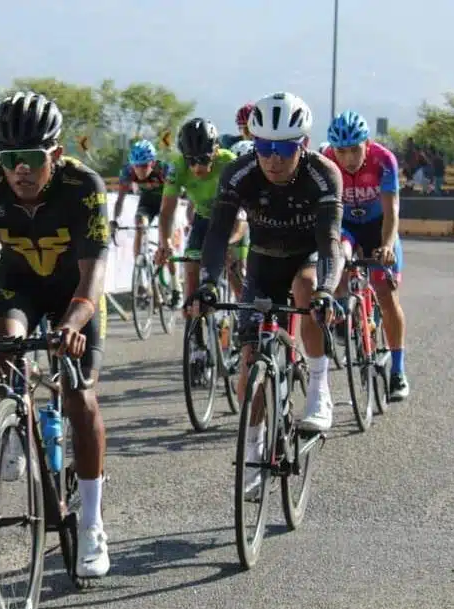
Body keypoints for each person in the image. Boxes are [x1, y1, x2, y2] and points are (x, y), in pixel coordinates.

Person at [0, 91, 112, 580]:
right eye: (10, 160)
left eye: (31, 159)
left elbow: (94, 273)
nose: (20, 171)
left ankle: (92, 524)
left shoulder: (83, 185)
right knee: (2, 352)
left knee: (80, 397)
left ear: (54, 155)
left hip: (76, 292)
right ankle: (17, 421)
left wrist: (73, 325)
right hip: (20, 286)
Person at [193, 92, 343, 493]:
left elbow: (330, 241)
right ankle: (254, 447)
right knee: (250, 358)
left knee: (308, 289)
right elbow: (218, 233)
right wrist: (207, 283)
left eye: (284, 148)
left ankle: (318, 387)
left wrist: (328, 290)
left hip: (308, 254)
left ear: (303, 145)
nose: (273, 158)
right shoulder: (240, 173)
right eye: (264, 147)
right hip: (263, 260)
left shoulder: (323, 174)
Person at [324, 110, 409, 400]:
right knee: (337, 261)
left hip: (377, 227)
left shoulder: (383, 160)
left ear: (367, 143)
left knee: (385, 292)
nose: (348, 158)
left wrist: (386, 246)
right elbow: (325, 213)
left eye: (354, 150)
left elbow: (391, 212)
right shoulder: (326, 159)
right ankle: (342, 313)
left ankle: (398, 371)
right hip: (346, 225)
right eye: (342, 151)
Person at [155, 118, 244, 313]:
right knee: (191, 267)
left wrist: (229, 243)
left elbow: (243, 213)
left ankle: (246, 321)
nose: (197, 168)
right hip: (203, 218)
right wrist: (165, 243)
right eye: (191, 160)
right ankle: (194, 331)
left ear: (216, 150)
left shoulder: (229, 162)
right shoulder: (177, 167)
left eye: (203, 159)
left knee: (235, 270)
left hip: (232, 219)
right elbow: (167, 211)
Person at [110, 139, 179, 306]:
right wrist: (115, 220)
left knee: (166, 244)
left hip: (166, 203)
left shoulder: (164, 170)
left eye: (144, 166)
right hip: (147, 203)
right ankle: (141, 274)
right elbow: (120, 200)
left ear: (153, 163)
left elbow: (175, 195)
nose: (140, 171)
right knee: (139, 222)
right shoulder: (127, 172)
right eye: (136, 166)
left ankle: (176, 287)